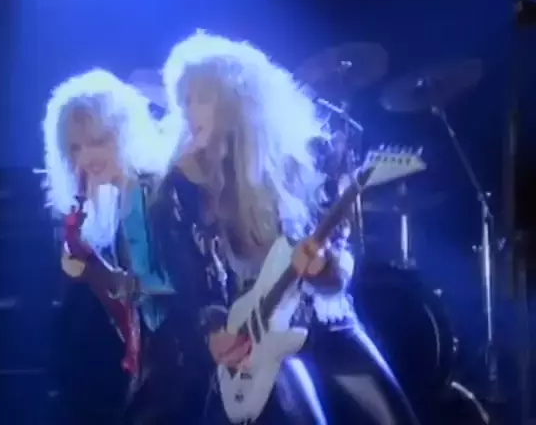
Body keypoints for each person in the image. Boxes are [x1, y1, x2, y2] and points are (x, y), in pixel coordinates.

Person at [151, 31, 421, 424]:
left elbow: (341, 259)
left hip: (324, 322)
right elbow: (187, 277)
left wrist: (324, 270)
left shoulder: (309, 159)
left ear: (237, 102)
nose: (190, 111)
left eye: (202, 98)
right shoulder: (182, 185)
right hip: (253, 337)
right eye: (185, 100)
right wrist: (211, 330)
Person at [41, 68, 182, 424]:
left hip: (182, 357)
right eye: (76, 147)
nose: (86, 157)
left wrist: (101, 273)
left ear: (124, 131)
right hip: (153, 359)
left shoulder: (145, 192)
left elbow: (170, 284)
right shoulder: (121, 198)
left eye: (98, 140)